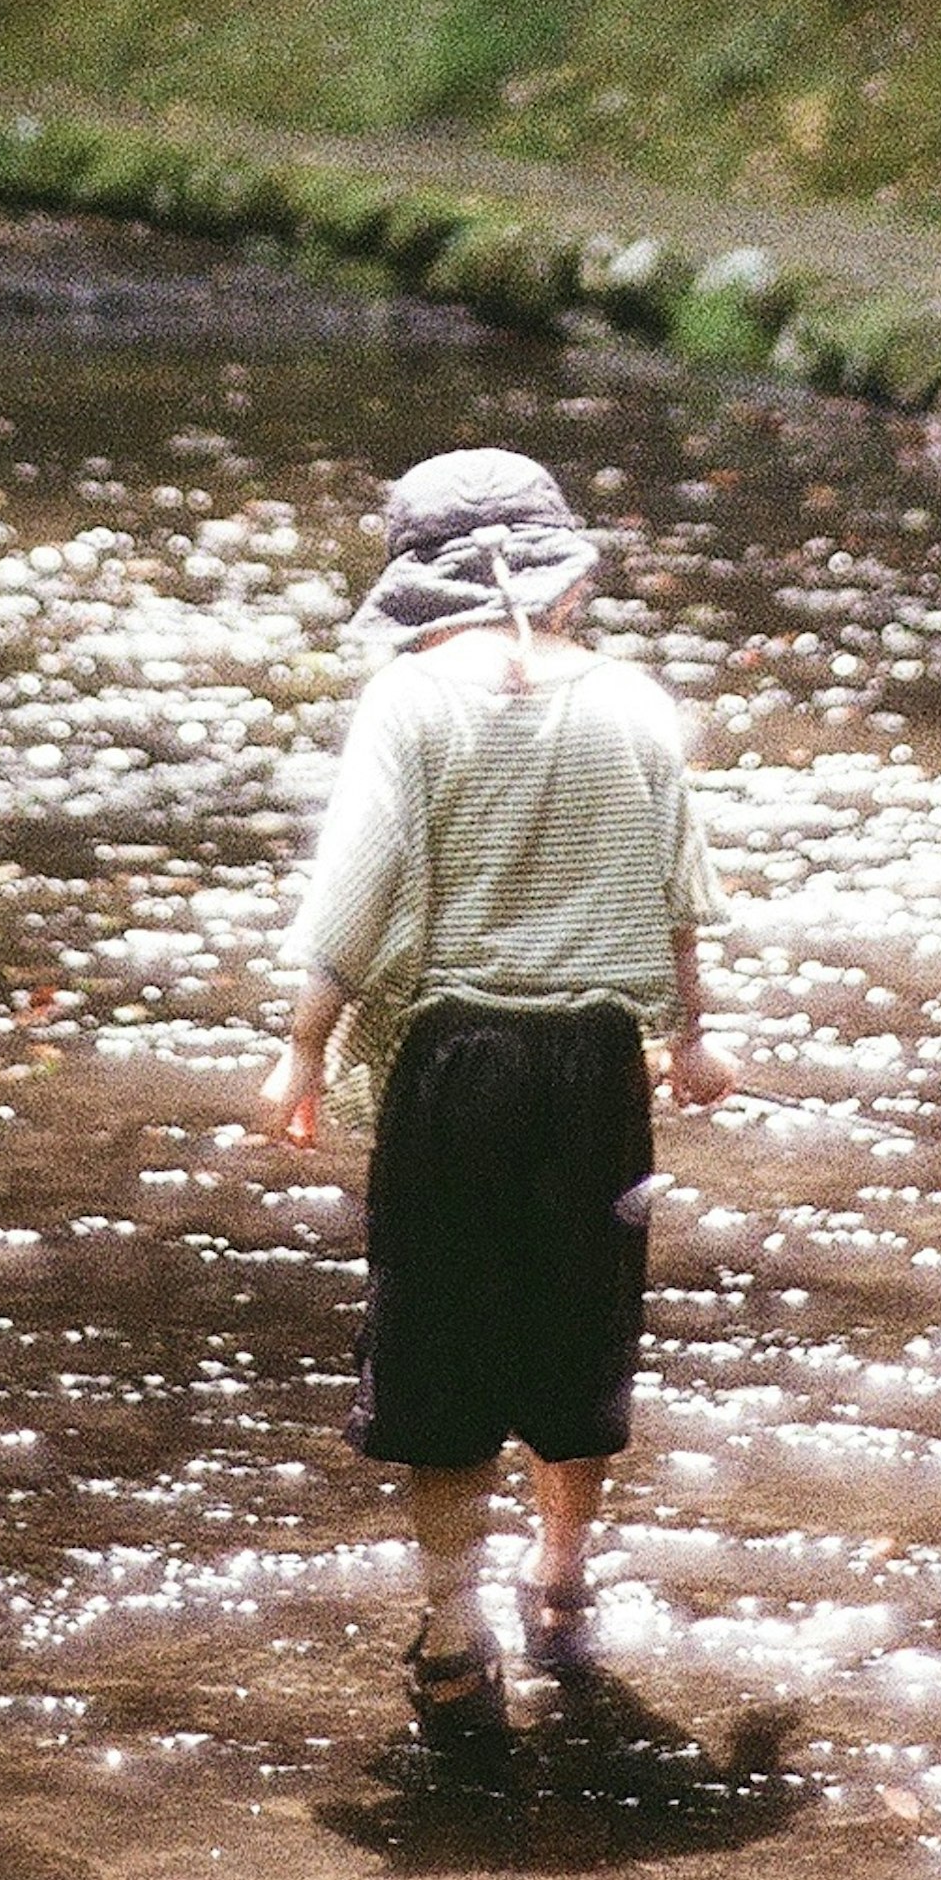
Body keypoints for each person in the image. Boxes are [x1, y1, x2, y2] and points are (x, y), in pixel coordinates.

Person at [259, 441, 730, 1753]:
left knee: (446, 1339)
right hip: (595, 1069)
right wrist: (694, 1036)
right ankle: (563, 1580)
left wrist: (304, 1049)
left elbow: (353, 891)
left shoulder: (409, 708)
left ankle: (454, 1628)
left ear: (420, 592)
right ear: (561, 582)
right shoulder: (633, 702)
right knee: (581, 1333)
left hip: (454, 1066)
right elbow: (679, 886)